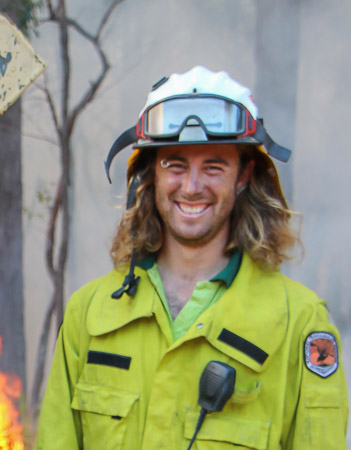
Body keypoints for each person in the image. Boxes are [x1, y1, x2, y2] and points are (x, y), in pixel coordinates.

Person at [34, 66, 348, 449]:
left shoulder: (299, 324)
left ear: (244, 175)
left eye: (214, 166)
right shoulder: (90, 315)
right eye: (175, 164)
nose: (192, 187)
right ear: (151, 174)